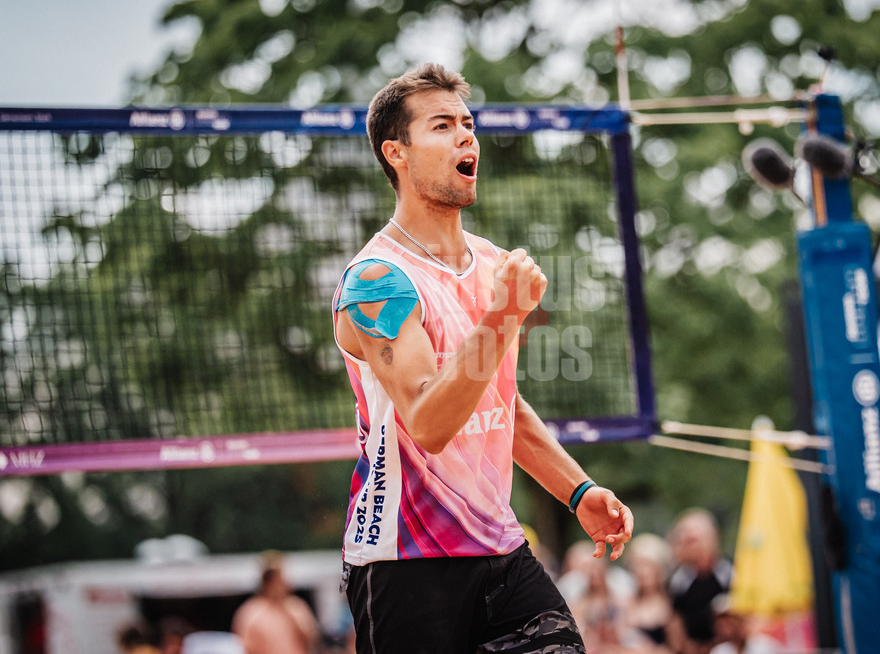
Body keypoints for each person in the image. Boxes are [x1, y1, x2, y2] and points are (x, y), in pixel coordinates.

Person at [332, 62, 634, 653]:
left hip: (501, 547)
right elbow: (429, 424)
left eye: (468, 124)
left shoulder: (492, 264)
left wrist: (578, 491)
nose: (466, 137)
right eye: (442, 126)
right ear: (397, 152)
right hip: (406, 562)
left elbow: (501, 404)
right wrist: (504, 314)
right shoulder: (377, 280)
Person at [665, 509, 733, 654]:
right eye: (685, 542)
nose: (690, 547)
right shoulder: (679, 581)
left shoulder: (730, 574)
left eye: (693, 540)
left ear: (714, 538)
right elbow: (674, 623)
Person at [231, 552, 319, 654]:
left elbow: (312, 641)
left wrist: (289, 614)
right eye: (273, 578)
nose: (278, 583)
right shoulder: (250, 612)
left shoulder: (297, 607)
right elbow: (245, 648)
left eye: (279, 577)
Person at [707, 595, 779, 654]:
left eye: (729, 620)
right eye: (721, 622)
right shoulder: (719, 651)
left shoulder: (764, 646)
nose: (725, 625)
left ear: (739, 620)